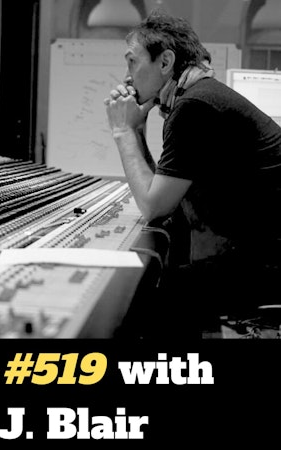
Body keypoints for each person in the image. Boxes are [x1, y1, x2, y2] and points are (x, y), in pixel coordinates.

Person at [105, 11, 281, 339]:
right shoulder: (200, 96)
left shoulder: (194, 107)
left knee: (151, 297)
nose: (127, 77)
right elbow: (162, 196)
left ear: (165, 61)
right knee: (170, 275)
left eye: (132, 62)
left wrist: (122, 132)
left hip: (269, 265)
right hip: (261, 255)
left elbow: (154, 207)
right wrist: (138, 130)